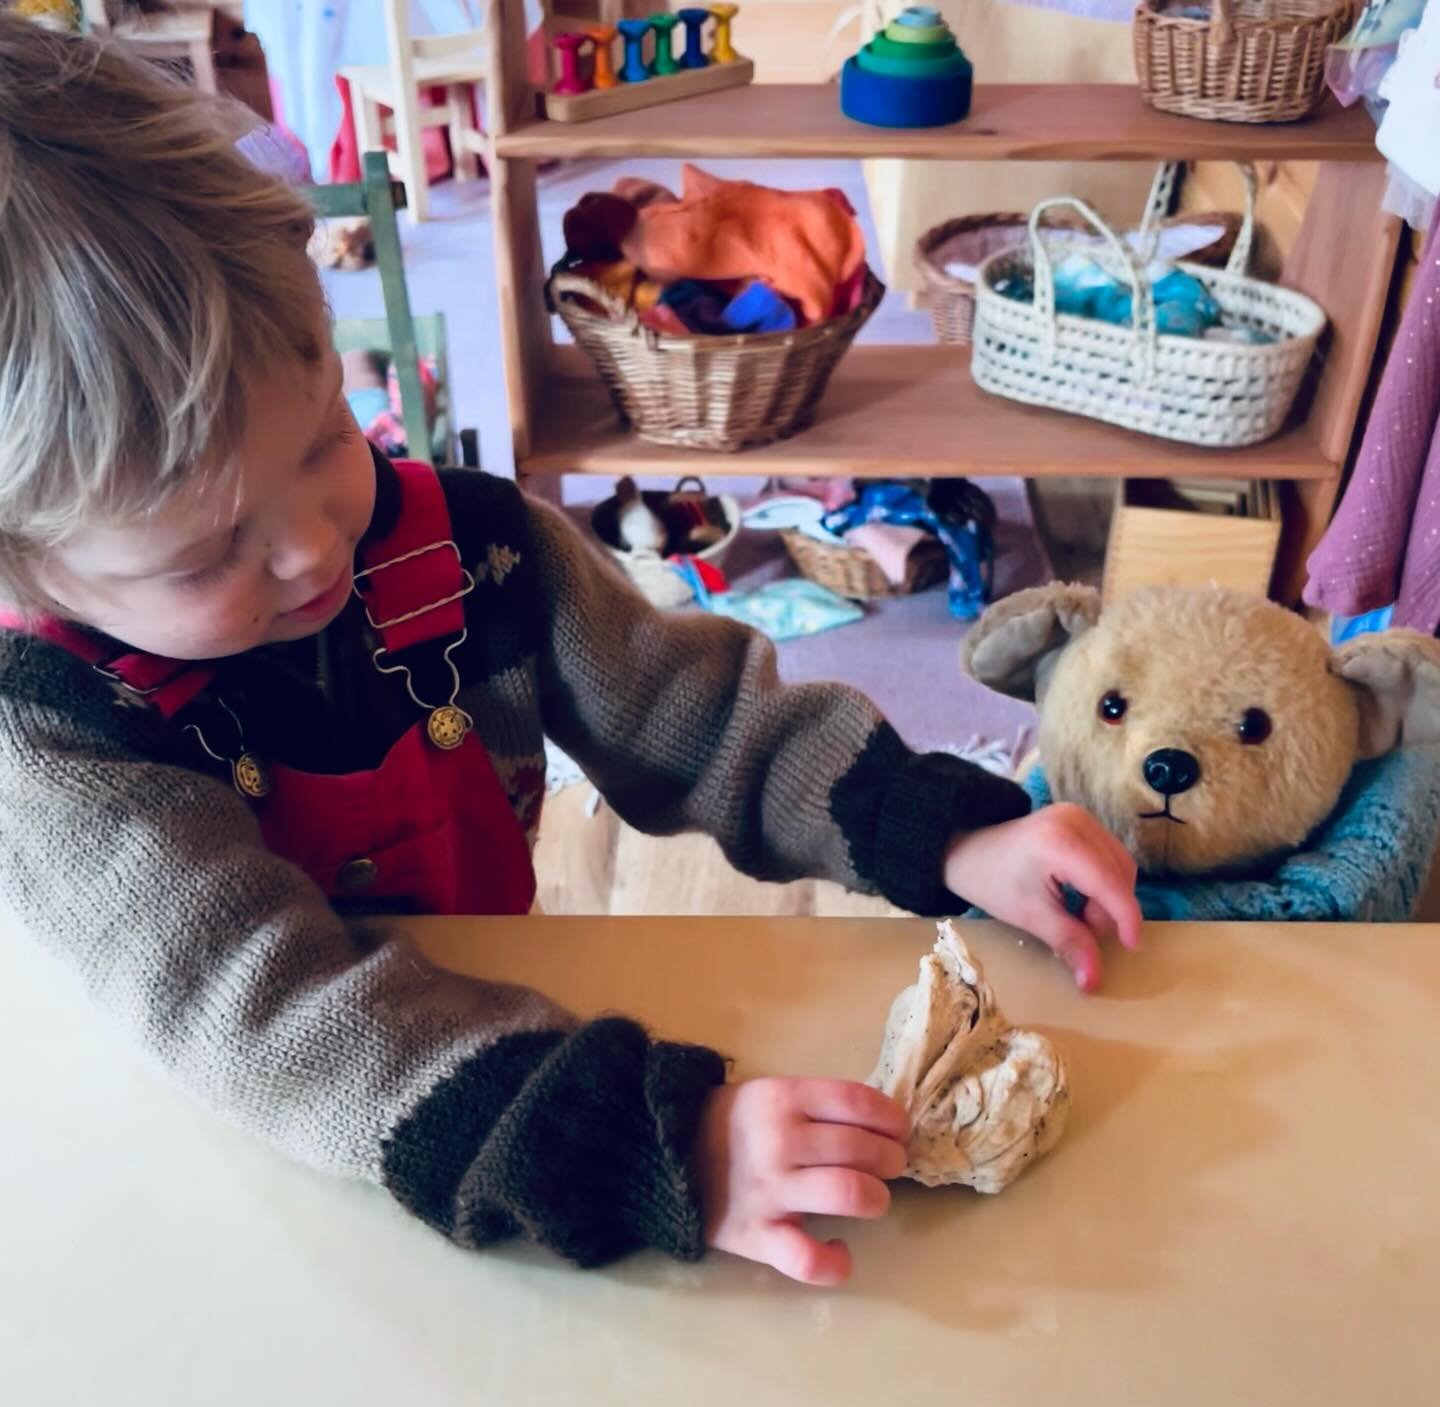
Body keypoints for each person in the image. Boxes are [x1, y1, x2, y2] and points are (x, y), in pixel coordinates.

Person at [0, 17, 1139, 1287]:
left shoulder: (473, 552)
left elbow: (697, 718)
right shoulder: (57, 738)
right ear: (25, 561)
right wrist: (654, 1140)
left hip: (502, 1049)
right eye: (206, 556)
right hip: (259, 1178)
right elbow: (261, 1013)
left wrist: (939, 828)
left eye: (326, 438)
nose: (314, 549)